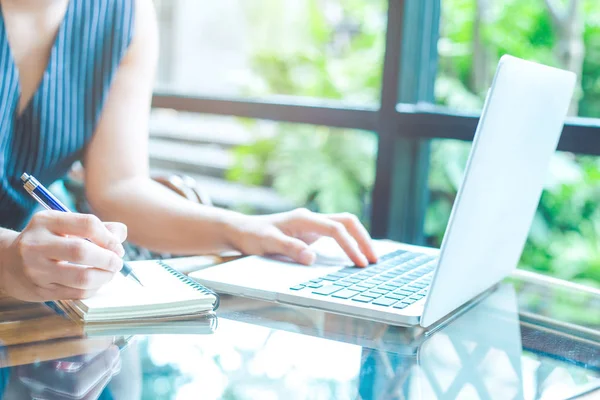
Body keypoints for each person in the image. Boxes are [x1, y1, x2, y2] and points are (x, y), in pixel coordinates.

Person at [0, 0, 377, 302]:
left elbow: (119, 187)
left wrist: (244, 229)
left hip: (35, 296)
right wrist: (7, 260)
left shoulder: (124, 12)